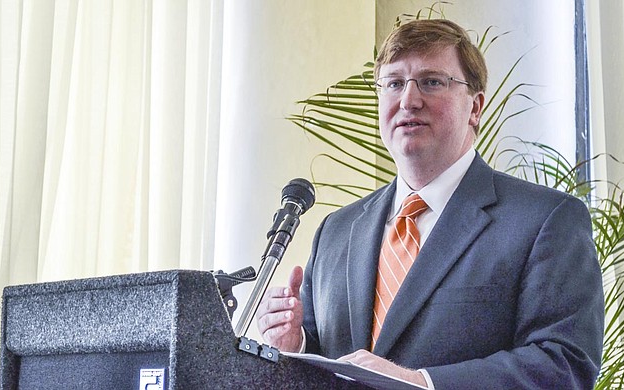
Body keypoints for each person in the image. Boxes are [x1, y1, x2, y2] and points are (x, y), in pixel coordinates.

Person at [256, 19, 604, 389]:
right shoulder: (336, 231)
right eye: (393, 84)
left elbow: (564, 365)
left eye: (431, 81)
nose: (408, 100)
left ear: (475, 107)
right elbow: (326, 358)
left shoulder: (544, 220)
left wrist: (421, 383)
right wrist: (294, 345)